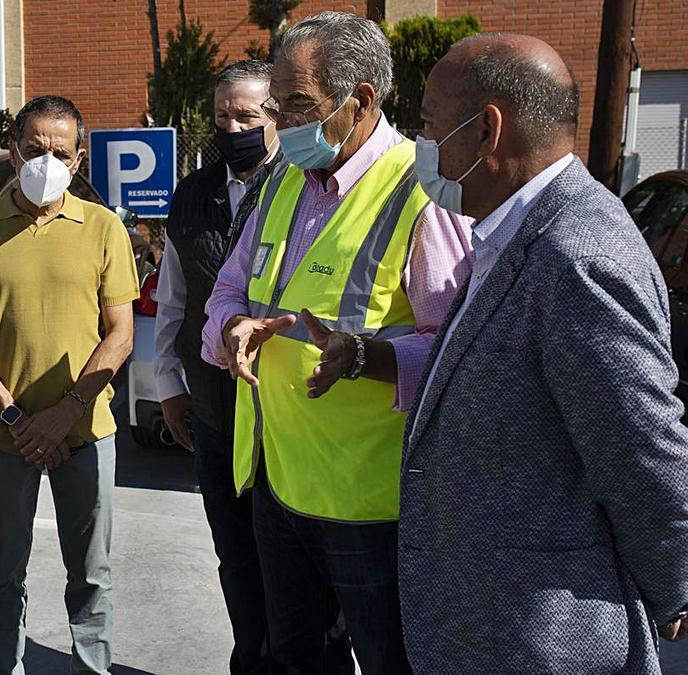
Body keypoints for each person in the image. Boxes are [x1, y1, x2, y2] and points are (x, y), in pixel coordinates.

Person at [400, 33, 688, 672]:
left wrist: (677, 586)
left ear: (487, 131)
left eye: (427, 125)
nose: (419, 144)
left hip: (539, 637)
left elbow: (641, 449)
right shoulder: (511, 229)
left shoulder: (576, 254)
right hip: (490, 627)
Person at [202, 12, 473, 674]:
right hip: (279, 484)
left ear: (361, 101)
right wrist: (230, 330)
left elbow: (462, 354)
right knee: (299, 657)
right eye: (278, 105)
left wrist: (365, 358)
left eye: (298, 105)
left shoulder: (423, 190)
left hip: (371, 505)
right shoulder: (286, 181)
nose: (281, 122)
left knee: (390, 661)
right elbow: (228, 292)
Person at [0, 95, 139, 675]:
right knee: (2, 573)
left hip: (86, 431)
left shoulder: (104, 228)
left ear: (79, 159)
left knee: (91, 575)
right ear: (13, 153)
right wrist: (14, 417)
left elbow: (120, 333)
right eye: (34, 149)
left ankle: (93, 667)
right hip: (3, 436)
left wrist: (64, 413)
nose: (46, 160)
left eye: (59, 151)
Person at [156, 59, 281, 674]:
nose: (231, 128)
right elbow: (175, 301)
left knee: (297, 563)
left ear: (276, 117)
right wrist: (169, 388)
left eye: (246, 115)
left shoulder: (304, 190)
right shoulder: (193, 194)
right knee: (236, 556)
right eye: (221, 116)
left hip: (289, 414)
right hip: (213, 409)